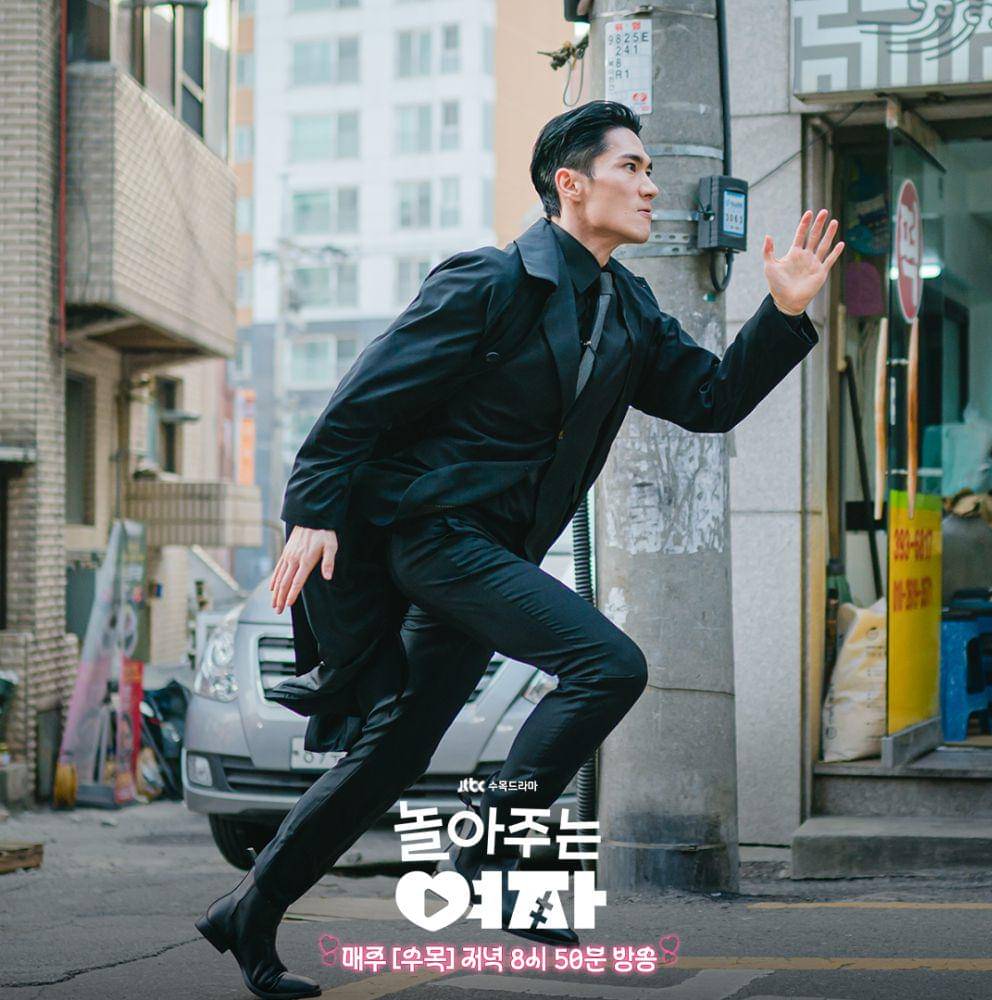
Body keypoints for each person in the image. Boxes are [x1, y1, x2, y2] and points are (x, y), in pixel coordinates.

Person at [195, 100, 844, 998]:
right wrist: (313, 511)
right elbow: (362, 399)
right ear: (570, 184)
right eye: (631, 168)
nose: (651, 187)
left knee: (391, 753)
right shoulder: (490, 282)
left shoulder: (625, 305)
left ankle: (250, 909)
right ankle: (493, 854)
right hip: (432, 535)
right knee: (608, 665)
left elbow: (710, 400)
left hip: (493, 553)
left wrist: (783, 311)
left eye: (651, 170)